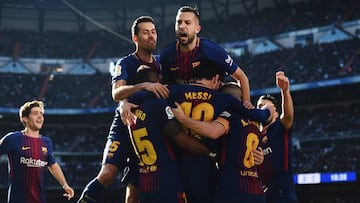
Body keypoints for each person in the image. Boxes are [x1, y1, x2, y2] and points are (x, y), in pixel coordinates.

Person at [77, 16, 168, 203]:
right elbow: (116, 92)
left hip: (149, 129)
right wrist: (141, 87)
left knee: (134, 190)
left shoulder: (162, 64)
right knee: (108, 173)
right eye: (145, 32)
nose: (151, 36)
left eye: (153, 32)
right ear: (135, 38)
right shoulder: (125, 63)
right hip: (125, 124)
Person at [160, 59, 272, 203]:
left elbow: (142, 97)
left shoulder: (173, 91)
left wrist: (130, 98)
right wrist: (267, 111)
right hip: (209, 167)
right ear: (215, 78)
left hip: (176, 164)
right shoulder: (224, 100)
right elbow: (257, 116)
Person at [126, 66, 215, 202]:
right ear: (153, 82)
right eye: (158, 77)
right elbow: (180, 138)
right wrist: (208, 151)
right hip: (166, 181)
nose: (162, 79)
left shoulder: (129, 109)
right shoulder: (157, 104)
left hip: (145, 180)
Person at [160, 5, 252, 105]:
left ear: (197, 29)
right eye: (179, 22)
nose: (182, 26)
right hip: (182, 100)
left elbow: (241, 76)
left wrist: (247, 103)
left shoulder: (211, 50)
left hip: (212, 98)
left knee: (234, 92)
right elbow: (165, 87)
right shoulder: (167, 55)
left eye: (187, 23)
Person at [0, 100, 74, 203]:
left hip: (39, 199)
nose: (40, 116)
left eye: (41, 114)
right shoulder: (13, 138)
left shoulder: (46, 142)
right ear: (25, 119)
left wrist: (65, 185)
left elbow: (52, 165)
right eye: (35, 113)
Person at [256, 71, 298, 203]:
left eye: (266, 106)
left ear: (276, 113)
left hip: (282, 197)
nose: (262, 109)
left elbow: (288, 116)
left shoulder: (280, 128)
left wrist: (285, 91)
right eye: (259, 106)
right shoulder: (253, 136)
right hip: (260, 197)